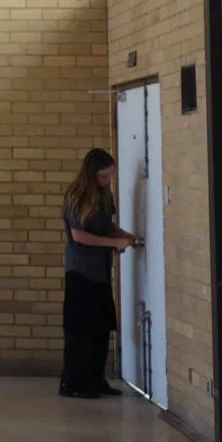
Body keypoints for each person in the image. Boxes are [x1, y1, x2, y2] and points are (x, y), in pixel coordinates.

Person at [59, 148, 139, 399]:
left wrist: (125, 236)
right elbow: (79, 235)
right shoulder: (76, 196)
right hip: (81, 271)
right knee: (81, 330)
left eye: (110, 177)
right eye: (104, 176)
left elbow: (107, 226)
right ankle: (74, 382)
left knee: (101, 328)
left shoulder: (105, 195)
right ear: (92, 174)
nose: (108, 181)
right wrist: (114, 244)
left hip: (101, 271)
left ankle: (95, 379)